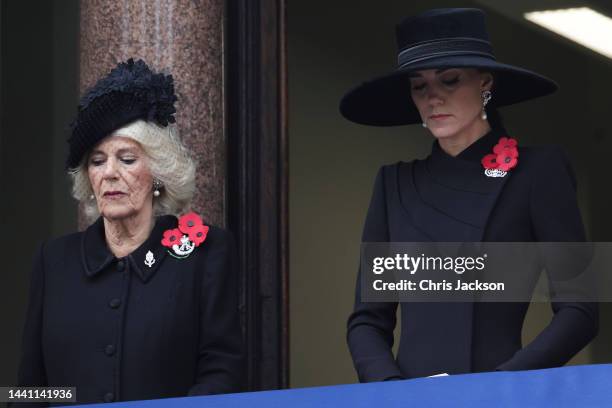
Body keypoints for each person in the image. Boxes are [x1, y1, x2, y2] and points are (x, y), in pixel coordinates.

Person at [341, 8, 598, 381]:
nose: (433, 98)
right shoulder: (393, 184)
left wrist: (504, 383)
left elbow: (581, 308)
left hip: (500, 393)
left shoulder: (538, 172)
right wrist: (391, 389)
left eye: (449, 80)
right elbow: (367, 320)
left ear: (485, 84)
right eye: (419, 86)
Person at [14, 59, 243, 405]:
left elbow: (223, 372)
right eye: (97, 160)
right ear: (88, 179)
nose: (109, 173)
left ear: (157, 173)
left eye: (127, 158)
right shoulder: (53, 261)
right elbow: (30, 388)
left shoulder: (205, 252)